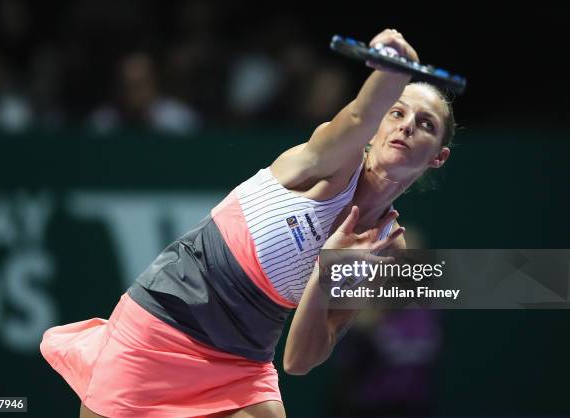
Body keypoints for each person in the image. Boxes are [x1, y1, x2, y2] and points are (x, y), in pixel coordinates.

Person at [40, 28, 455, 418]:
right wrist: (390, 71)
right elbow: (356, 117)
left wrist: (328, 269)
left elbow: (299, 359)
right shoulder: (333, 163)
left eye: (426, 124)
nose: (406, 126)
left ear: (438, 156)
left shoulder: (385, 248)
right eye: (397, 112)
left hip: (242, 362)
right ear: (379, 124)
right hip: (164, 321)